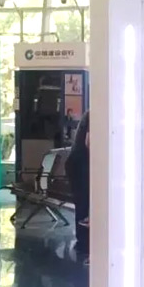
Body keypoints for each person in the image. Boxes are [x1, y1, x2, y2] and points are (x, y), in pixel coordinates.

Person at [65, 111, 89, 262]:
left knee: (82, 204)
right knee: (84, 204)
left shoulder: (89, 116)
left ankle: (83, 242)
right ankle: (85, 243)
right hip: (81, 165)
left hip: (76, 164)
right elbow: (90, 142)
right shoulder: (95, 117)